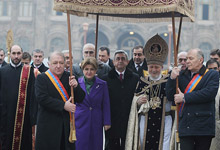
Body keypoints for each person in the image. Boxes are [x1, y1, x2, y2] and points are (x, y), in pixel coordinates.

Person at [166, 48, 219, 150]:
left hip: (203, 126)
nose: (187, 61)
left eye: (191, 58)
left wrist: (185, 97)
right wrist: (172, 78)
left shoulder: (212, 74)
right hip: (186, 125)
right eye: (186, 59)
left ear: (200, 60)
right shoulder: (181, 75)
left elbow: (209, 93)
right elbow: (170, 96)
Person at [125, 34, 171, 150]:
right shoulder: (142, 82)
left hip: (165, 119)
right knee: (143, 143)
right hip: (145, 119)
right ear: (147, 66)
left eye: (156, 67)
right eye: (151, 67)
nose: (154, 70)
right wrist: (138, 101)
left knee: (164, 145)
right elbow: (134, 100)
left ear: (161, 67)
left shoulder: (168, 81)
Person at [35, 51, 85, 150]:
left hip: (66, 125)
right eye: (55, 63)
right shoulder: (42, 78)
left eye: (61, 63)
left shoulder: (69, 76)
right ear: (49, 64)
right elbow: (42, 98)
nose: (58, 66)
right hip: (48, 124)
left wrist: (76, 87)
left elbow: (81, 98)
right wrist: (63, 105)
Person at [0, 45, 35, 150]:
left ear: (22, 54)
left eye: (18, 53)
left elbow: (33, 96)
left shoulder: (29, 71)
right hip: (6, 115)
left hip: (24, 115)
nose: (16, 56)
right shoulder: (2, 71)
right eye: (14, 53)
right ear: (10, 54)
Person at [103, 50, 139, 150]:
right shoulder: (105, 79)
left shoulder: (135, 78)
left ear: (127, 62)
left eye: (123, 59)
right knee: (111, 145)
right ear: (113, 62)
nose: (120, 61)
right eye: (117, 59)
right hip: (112, 118)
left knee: (127, 145)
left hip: (128, 117)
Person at [75, 57, 111, 150]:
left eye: (92, 69)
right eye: (86, 69)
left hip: (96, 119)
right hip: (80, 120)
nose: (89, 72)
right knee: (80, 145)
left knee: (95, 145)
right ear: (82, 70)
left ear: (96, 70)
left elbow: (106, 104)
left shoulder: (102, 84)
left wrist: (107, 122)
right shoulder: (77, 83)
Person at [206, 58, 220, 150]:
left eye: (215, 69)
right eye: (210, 69)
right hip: (206, 124)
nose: (213, 71)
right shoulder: (202, 84)